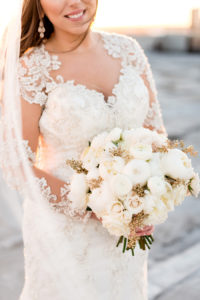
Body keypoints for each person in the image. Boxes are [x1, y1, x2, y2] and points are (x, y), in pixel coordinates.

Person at [0, 0, 167, 299]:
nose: (74, 2)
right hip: (62, 234)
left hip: (126, 231)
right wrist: (95, 206)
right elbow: (16, 163)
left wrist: (148, 198)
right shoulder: (32, 66)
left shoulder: (129, 51)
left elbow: (156, 135)